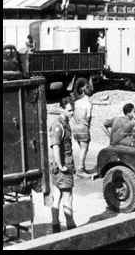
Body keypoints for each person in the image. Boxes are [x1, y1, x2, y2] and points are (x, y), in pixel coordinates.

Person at [49, 97, 77, 233]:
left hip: (63, 165)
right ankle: (71, 226)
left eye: (73, 110)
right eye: (69, 110)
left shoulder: (65, 122)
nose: (72, 113)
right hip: (63, 167)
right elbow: (55, 147)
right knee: (67, 198)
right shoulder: (58, 125)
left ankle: (55, 226)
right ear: (62, 109)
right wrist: (61, 166)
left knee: (58, 196)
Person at [71, 86, 93, 178]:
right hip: (83, 126)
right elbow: (88, 116)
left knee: (82, 148)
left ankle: (82, 167)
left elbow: (71, 115)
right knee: (84, 149)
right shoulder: (89, 103)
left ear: (83, 92)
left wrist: (75, 123)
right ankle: (80, 170)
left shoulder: (76, 102)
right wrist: (88, 125)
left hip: (75, 126)